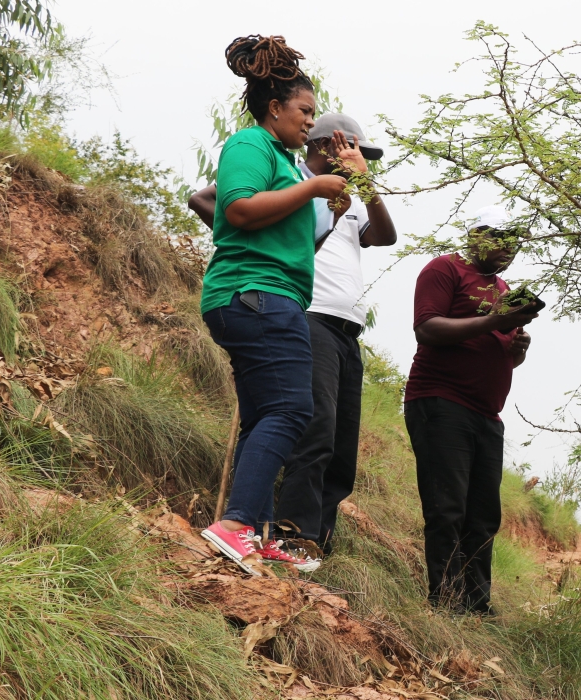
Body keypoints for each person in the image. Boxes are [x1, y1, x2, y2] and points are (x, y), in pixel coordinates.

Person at [190, 114, 397, 564]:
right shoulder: (293, 176)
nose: (360, 160)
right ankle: (282, 531)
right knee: (305, 421)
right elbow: (211, 200)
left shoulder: (343, 197)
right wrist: (260, 245)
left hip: (345, 322)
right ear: (328, 144)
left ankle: (281, 538)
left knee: (334, 441)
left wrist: (361, 185)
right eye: (353, 150)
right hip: (298, 310)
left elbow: (385, 236)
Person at [197, 35, 346, 575]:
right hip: (255, 295)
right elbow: (236, 210)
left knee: (265, 414)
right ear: (275, 107)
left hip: (269, 294)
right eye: (304, 112)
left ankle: (254, 534)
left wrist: (328, 197)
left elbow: (296, 241)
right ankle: (235, 525)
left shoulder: (283, 160)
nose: (311, 122)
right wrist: (310, 190)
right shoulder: (250, 146)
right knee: (293, 410)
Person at [403, 206, 538, 615]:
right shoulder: (444, 269)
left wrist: (516, 350)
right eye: (500, 238)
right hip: (441, 402)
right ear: (476, 234)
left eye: (516, 241)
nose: (509, 248)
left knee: (483, 515)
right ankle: (444, 602)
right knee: (448, 507)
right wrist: (495, 320)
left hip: (486, 415)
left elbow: (495, 353)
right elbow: (427, 328)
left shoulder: (503, 287)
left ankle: (477, 604)